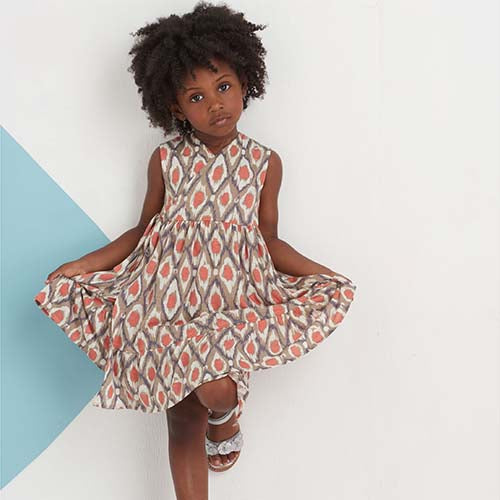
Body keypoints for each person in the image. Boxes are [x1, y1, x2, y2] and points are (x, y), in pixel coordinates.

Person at [33, 1, 357, 497]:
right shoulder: (165, 159)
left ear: (245, 80)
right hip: (163, 300)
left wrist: (319, 272)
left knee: (217, 389)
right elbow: (143, 231)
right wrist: (84, 264)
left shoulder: (264, 163)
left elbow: (268, 239)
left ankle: (225, 419)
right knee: (182, 418)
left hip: (227, 302)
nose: (215, 104)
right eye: (196, 96)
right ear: (175, 108)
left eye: (223, 86)